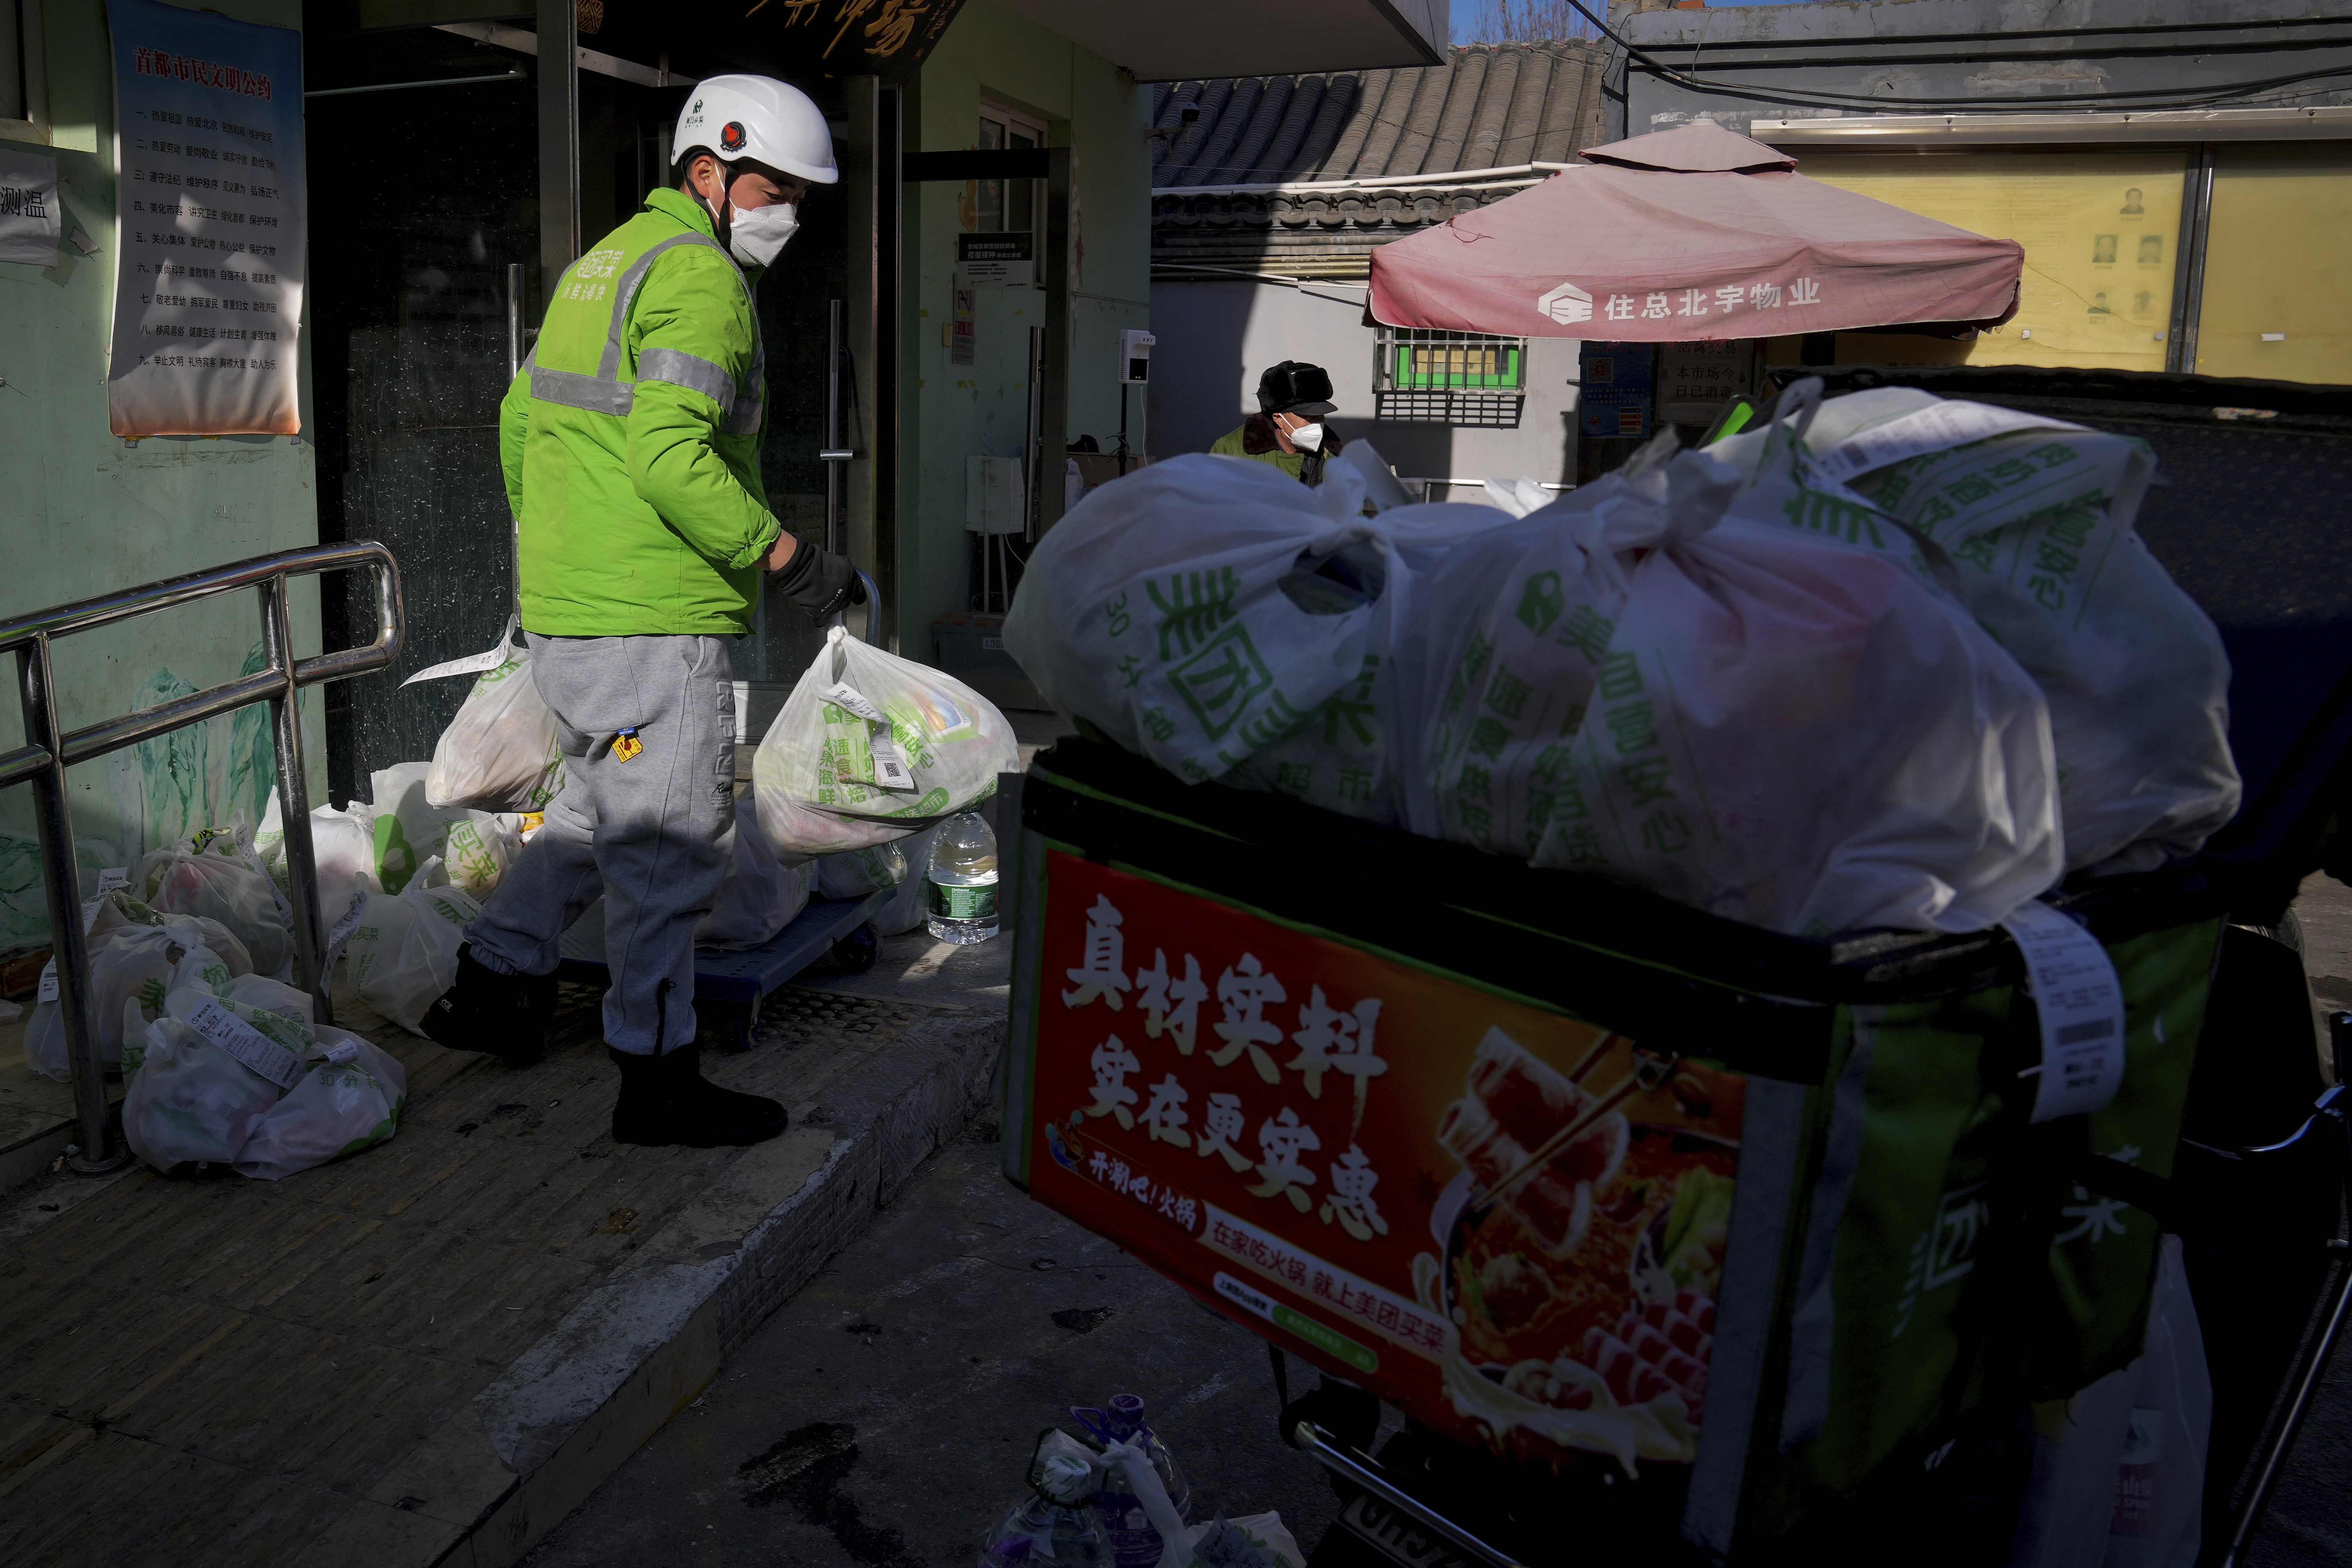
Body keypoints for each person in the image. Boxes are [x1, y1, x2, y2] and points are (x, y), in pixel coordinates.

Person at [420, 75, 864, 1150]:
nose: (788, 213)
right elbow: (672, 461)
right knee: (669, 845)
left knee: (592, 808)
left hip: (575, 612)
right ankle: (656, 1077)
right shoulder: (702, 280)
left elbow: (520, 419)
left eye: (803, 195)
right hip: (654, 617)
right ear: (708, 168)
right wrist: (790, 556)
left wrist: (555, 557)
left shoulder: (602, 265)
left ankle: (495, 984)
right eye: (774, 187)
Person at [1212, 361, 1344, 485]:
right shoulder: (1231, 451)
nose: (1316, 424)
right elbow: (1210, 501)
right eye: (1307, 417)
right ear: (1279, 419)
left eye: (1320, 416)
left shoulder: (1336, 456)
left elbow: (1350, 507)